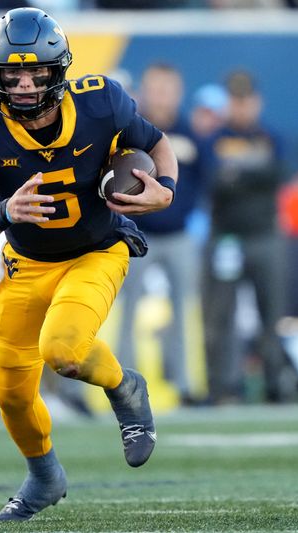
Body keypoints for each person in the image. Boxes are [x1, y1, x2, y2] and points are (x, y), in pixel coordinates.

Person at [0, 8, 177, 521]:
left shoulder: (101, 104)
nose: (25, 85)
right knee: (9, 389)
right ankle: (44, 476)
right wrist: (5, 212)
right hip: (24, 261)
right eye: (12, 73)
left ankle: (125, 387)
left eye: (36, 73)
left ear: (58, 73)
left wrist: (166, 192)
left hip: (95, 250)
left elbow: (157, 145)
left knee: (63, 349)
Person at [202, 70, 296, 404]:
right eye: (235, 99)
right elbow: (214, 180)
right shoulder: (214, 139)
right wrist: (253, 169)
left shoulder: (271, 136)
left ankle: (275, 384)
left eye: (246, 99)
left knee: (272, 314)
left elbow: (277, 174)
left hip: (265, 236)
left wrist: (237, 171)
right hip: (225, 238)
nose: (240, 107)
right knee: (220, 317)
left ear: (257, 101)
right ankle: (223, 387)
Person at [116, 63, 205, 403]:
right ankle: (125, 387)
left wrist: (188, 213)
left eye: (168, 89)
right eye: (155, 88)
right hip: (137, 233)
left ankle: (184, 382)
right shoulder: (130, 128)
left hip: (179, 234)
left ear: (178, 92)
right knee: (127, 310)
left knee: (184, 310)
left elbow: (204, 179)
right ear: (144, 90)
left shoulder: (190, 132)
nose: (161, 96)